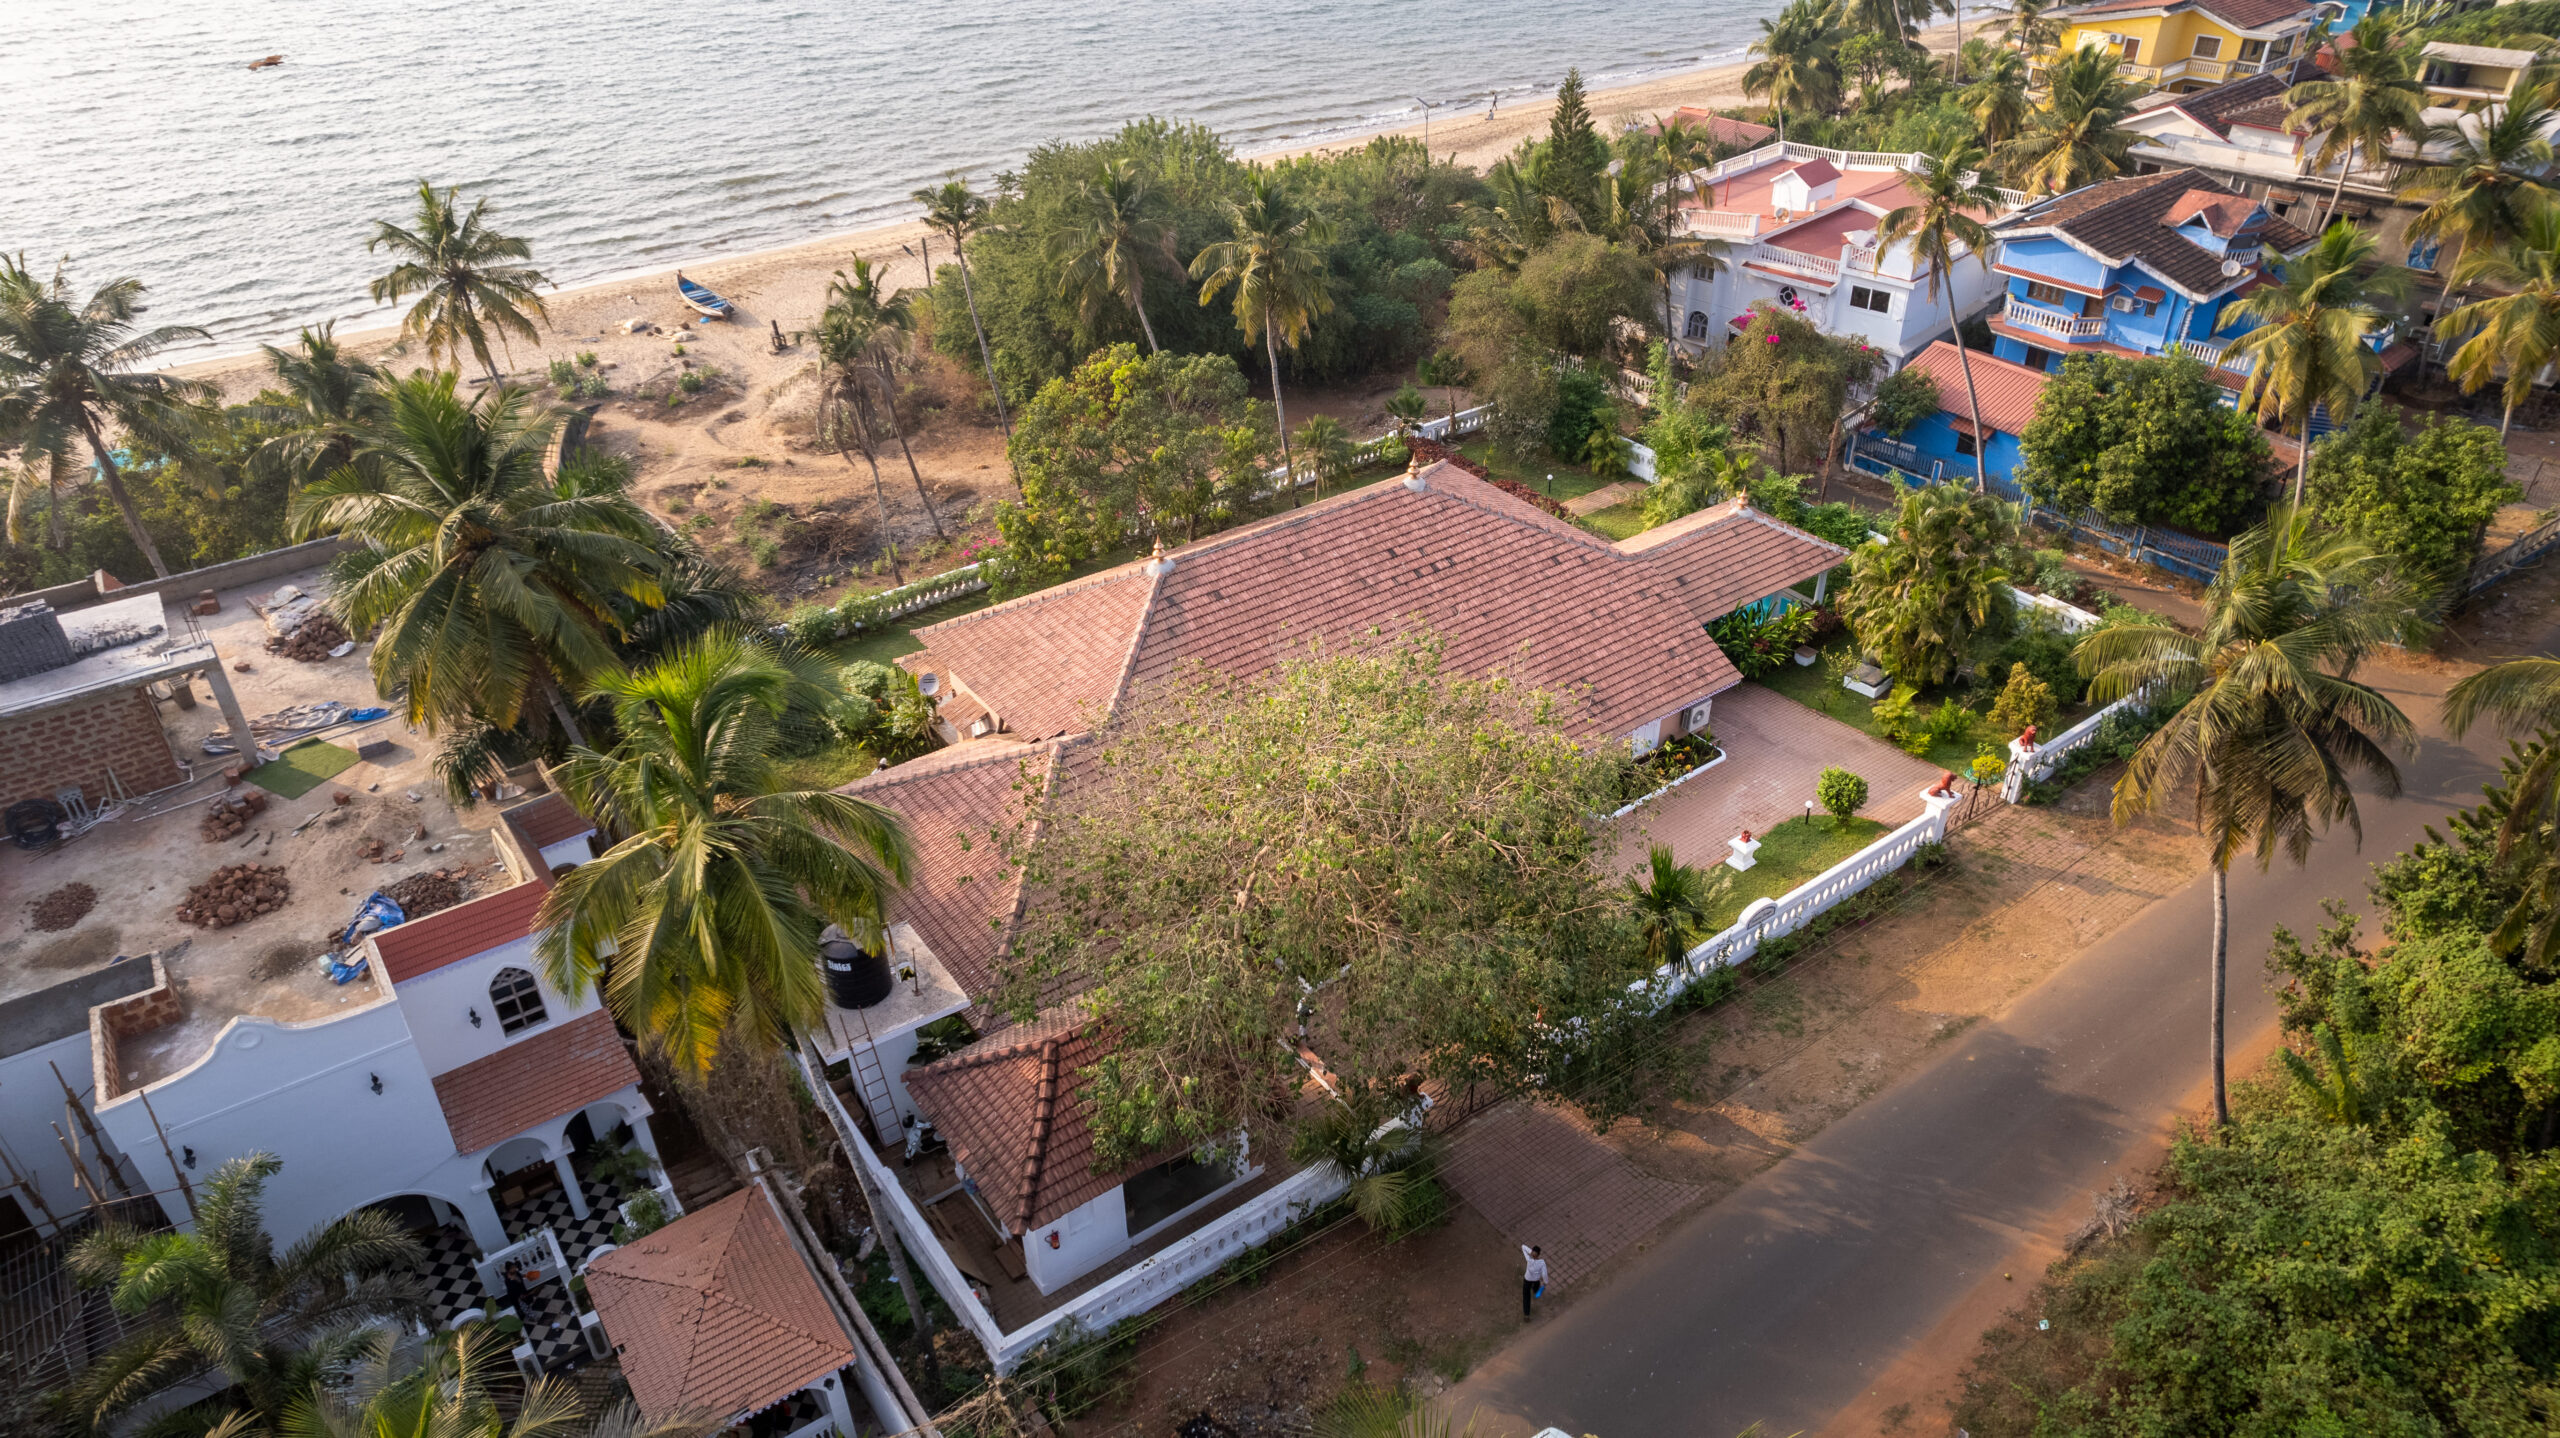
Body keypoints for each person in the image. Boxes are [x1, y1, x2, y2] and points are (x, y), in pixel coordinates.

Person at [1521, 1243, 1548, 1320]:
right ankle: (1536, 1292)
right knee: (1536, 1287)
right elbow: (1544, 1274)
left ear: (1532, 1252)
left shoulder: (1529, 1260)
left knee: (1526, 1296)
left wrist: (1531, 1252)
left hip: (1527, 1280)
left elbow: (1523, 1246)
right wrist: (1545, 1282)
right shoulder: (1542, 1263)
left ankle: (1526, 1315)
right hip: (1536, 1280)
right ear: (1539, 1254)